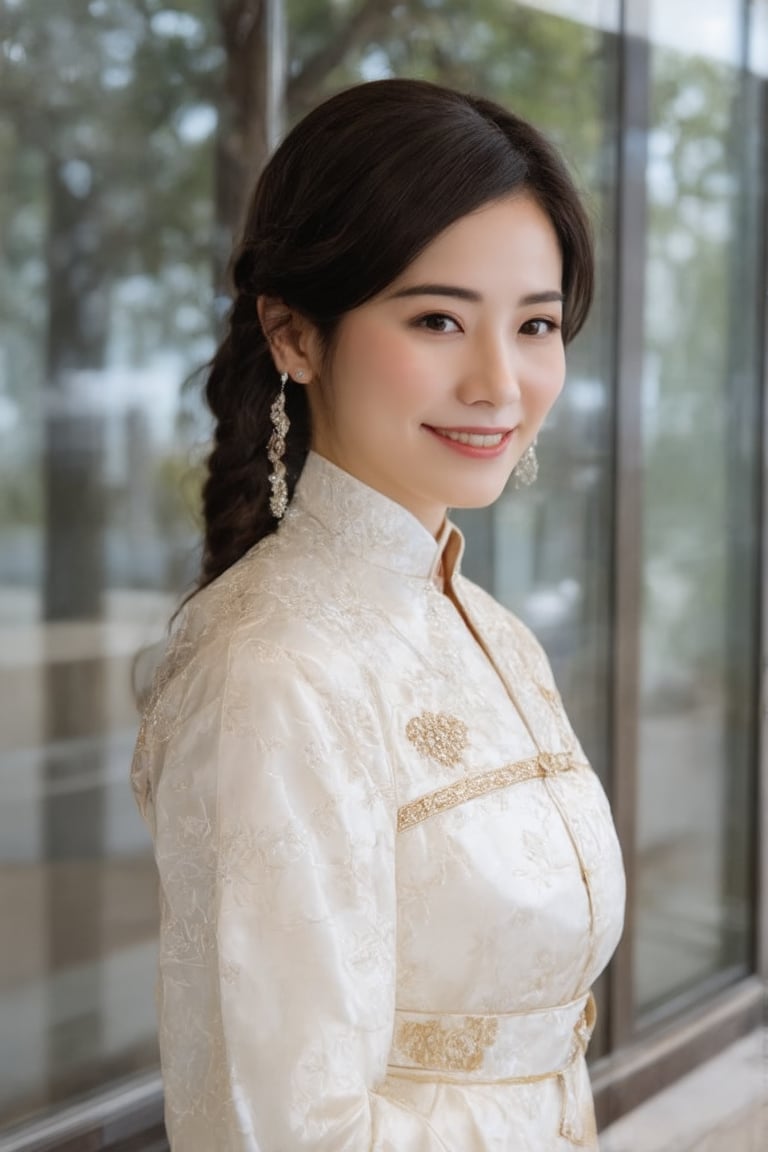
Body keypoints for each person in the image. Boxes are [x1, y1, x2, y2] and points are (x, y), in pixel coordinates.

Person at [131, 77, 625, 1151]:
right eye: (439, 318)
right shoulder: (275, 667)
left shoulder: (493, 630)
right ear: (295, 334)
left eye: (535, 324)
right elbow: (280, 1130)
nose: (500, 382)